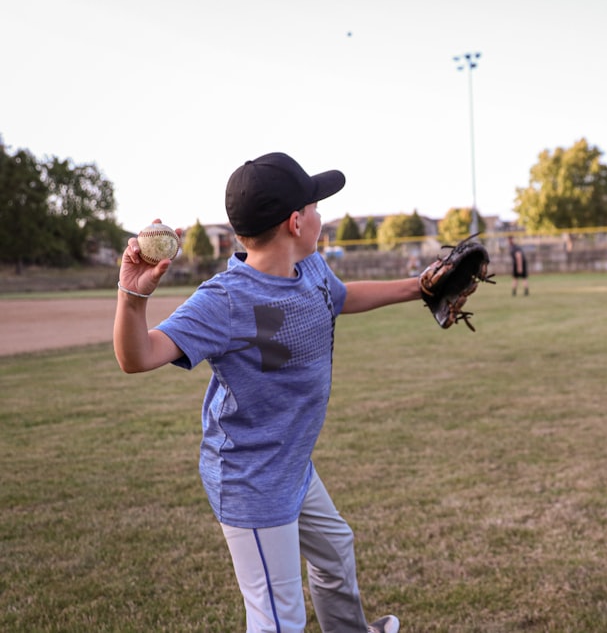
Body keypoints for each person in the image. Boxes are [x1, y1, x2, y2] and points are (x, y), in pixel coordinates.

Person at [113, 152, 416, 633]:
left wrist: (420, 287)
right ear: (296, 222)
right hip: (251, 479)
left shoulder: (310, 269)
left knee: (335, 552)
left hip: (291, 462)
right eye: (316, 206)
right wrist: (133, 296)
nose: (322, 215)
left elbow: (341, 297)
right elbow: (138, 357)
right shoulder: (226, 299)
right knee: (278, 618)